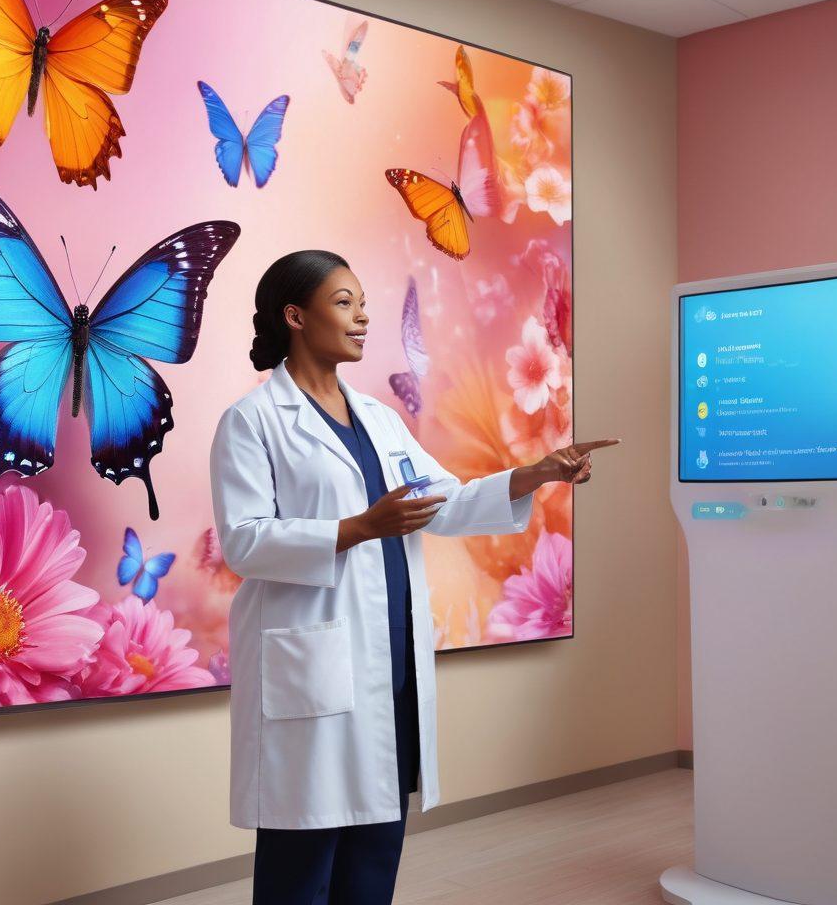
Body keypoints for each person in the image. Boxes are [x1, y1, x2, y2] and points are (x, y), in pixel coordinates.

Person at [208, 249, 619, 904]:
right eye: (345, 302)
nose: (364, 315)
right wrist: (358, 528)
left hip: (388, 659)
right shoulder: (252, 422)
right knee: (302, 856)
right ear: (295, 316)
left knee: (376, 849)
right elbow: (245, 541)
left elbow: (443, 500)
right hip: (312, 665)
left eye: (363, 302)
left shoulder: (378, 419)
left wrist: (534, 473)